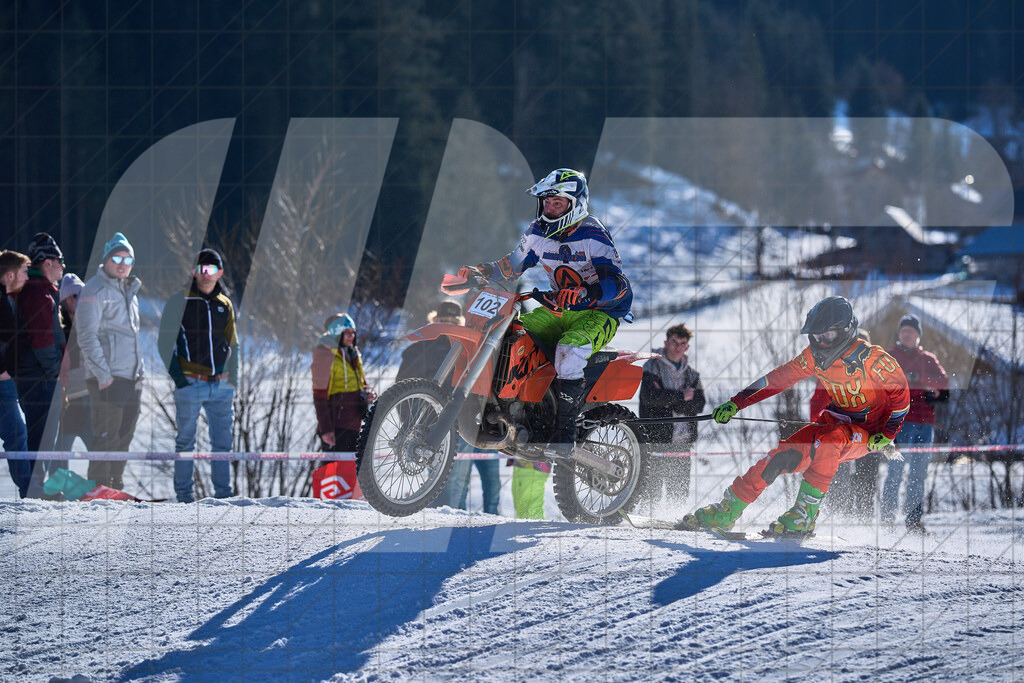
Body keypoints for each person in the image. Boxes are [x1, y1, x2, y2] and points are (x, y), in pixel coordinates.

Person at [460, 168, 633, 519]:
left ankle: (564, 434)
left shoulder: (592, 235)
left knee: (569, 352)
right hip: (557, 307)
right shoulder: (537, 232)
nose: (551, 208)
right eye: (547, 202)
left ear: (574, 203)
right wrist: (481, 271)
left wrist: (589, 293)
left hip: (598, 313)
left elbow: (620, 283)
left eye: (558, 202)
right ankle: (510, 406)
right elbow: (511, 265)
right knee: (513, 333)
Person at [681, 296, 910, 536]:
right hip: (834, 423)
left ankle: (805, 514)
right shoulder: (814, 357)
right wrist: (737, 403)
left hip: (867, 434)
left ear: (846, 331)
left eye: (828, 335)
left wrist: (887, 434)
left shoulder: (872, 358)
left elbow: (902, 396)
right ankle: (729, 508)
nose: (821, 342)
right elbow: (778, 378)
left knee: (831, 440)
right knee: (781, 455)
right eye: (817, 336)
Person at [396, 300, 500, 515]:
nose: (448, 324)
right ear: (434, 320)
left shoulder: (471, 347)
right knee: (449, 484)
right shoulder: (419, 348)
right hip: (436, 425)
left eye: (453, 321)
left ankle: (474, 524)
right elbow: (402, 388)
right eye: (444, 320)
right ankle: (442, 524)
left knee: (478, 484)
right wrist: (409, 423)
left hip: (472, 421)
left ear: (460, 322)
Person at [158, 248, 238, 503]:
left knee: (223, 444)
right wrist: (180, 380)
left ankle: (223, 497)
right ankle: (184, 497)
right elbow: (163, 344)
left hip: (221, 386)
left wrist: (232, 380)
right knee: (185, 443)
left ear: (220, 273)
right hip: (190, 382)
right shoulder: (178, 301)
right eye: (202, 269)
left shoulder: (224, 304)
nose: (206, 275)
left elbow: (233, 344)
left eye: (212, 270)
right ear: (194, 271)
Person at [76, 233, 145, 488]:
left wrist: (141, 374)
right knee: (105, 437)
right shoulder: (94, 289)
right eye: (117, 257)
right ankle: (99, 486)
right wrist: (104, 377)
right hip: (108, 379)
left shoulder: (130, 291)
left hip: (132, 378)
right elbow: (86, 337)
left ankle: (115, 485)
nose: (122, 263)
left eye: (128, 259)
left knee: (124, 437)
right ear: (106, 259)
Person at [880, 314, 949, 533]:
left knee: (919, 474)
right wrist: (917, 380)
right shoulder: (891, 355)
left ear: (918, 335)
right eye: (903, 331)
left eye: (910, 330)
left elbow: (944, 382)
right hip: (900, 423)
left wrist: (918, 379)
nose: (906, 334)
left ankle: (913, 522)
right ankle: (887, 522)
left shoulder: (928, 358)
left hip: (925, 424)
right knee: (895, 471)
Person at [13, 233, 67, 496]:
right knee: (41, 437)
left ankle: (37, 489)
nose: (63, 266)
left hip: (37, 377)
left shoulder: (40, 291)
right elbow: (43, 342)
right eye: (60, 260)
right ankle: (35, 491)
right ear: (47, 262)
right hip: (40, 380)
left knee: (41, 436)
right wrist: (56, 375)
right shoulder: (38, 294)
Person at [813, 328, 878, 517]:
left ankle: (864, 518)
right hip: (838, 433)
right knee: (836, 476)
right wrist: (817, 425)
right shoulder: (833, 369)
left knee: (867, 479)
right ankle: (836, 515)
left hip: (867, 436)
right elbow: (817, 400)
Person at [639, 323, 706, 501]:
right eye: (674, 342)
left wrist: (670, 401)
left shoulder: (692, 374)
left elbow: (700, 404)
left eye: (682, 343)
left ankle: (675, 524)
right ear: (666, 342)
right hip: (656, 440)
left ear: (687, 347)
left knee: (678, 494)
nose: (677, 347)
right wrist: (682, 396)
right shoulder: (651, 367)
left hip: (682, 441)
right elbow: (649, 397)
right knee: (650, 493)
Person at [311, 313, 375, 452]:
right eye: (346, 333)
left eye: (353, 332)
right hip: (336, 426)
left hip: (355, 423)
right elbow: (319, 396)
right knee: (336, 471)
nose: (351, 336)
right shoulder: (325, 356)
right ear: (336, 334)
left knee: (352, 471)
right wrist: (326, 430)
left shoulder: (353, 354)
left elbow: (361, 383)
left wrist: (366, 393)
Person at [0, 250, 30, 497]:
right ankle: (29, 490)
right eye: (23, 272)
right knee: (16, 432)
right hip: (2, 380)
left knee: (17, 433)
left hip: (5, 379)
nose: (27, 278)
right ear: (9, 275)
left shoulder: (7, 297)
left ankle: (29, 490)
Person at [56, 273, 93, 453]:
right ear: (65, 299)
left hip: (90, 396)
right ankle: (61, 483)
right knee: (61, 454)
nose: (79, 300)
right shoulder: (58, 326)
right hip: (67, 399)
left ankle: (98, 482)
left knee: (98, 453)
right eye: (74, 296)